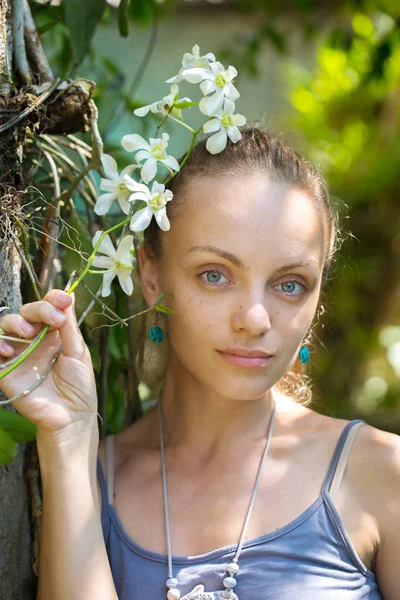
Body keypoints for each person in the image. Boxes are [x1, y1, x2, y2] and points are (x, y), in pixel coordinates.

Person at [0, 127, 398, 600]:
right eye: (215, 275)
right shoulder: (92, 480)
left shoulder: (381, 473)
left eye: (290, 284)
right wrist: (68, 437)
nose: (255, 319)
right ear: (151, 274)